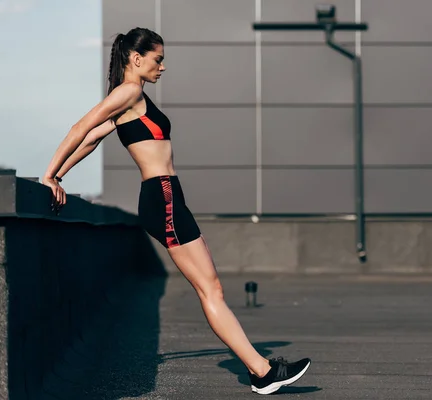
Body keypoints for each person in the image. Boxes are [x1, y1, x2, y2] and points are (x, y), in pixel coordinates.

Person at [42, 27, 310, 395]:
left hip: (166, 197)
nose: (163, 67)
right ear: (136, 59)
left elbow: (89, 140)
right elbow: (79, 129)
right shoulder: (130, 92)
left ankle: (261, 369)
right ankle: (262, 372)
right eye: (158, 59)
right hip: (162, 196)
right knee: (209, 289)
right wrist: (49, 175)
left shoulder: (129, 100)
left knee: (210, 287)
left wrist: (60, 172)